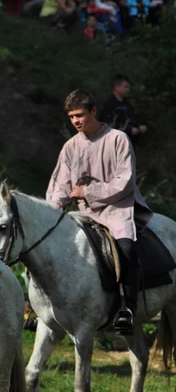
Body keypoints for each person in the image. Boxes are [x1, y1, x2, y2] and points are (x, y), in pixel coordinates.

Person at [46, 89, 153, 334]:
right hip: (83, 212)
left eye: (80, 115)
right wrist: (56, 205)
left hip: (118, 208)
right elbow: (59, 183)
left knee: (126, 247)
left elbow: (124, 181)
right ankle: (41, 309)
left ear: (93, 111)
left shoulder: (118, 139)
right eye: (71, 116)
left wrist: (88, 192)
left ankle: (128, 307)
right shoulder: (70, 146)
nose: (75, 121)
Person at [99, 74, 148, 145]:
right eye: (125, 87)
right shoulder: (109, 104)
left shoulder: (127, 103)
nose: (127, 90)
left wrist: (138, 127)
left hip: (129, 142)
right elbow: (107, 126)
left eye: (128, 87)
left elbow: (132, 119)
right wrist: (129, 130)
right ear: (117, 87)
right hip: (115, 143)